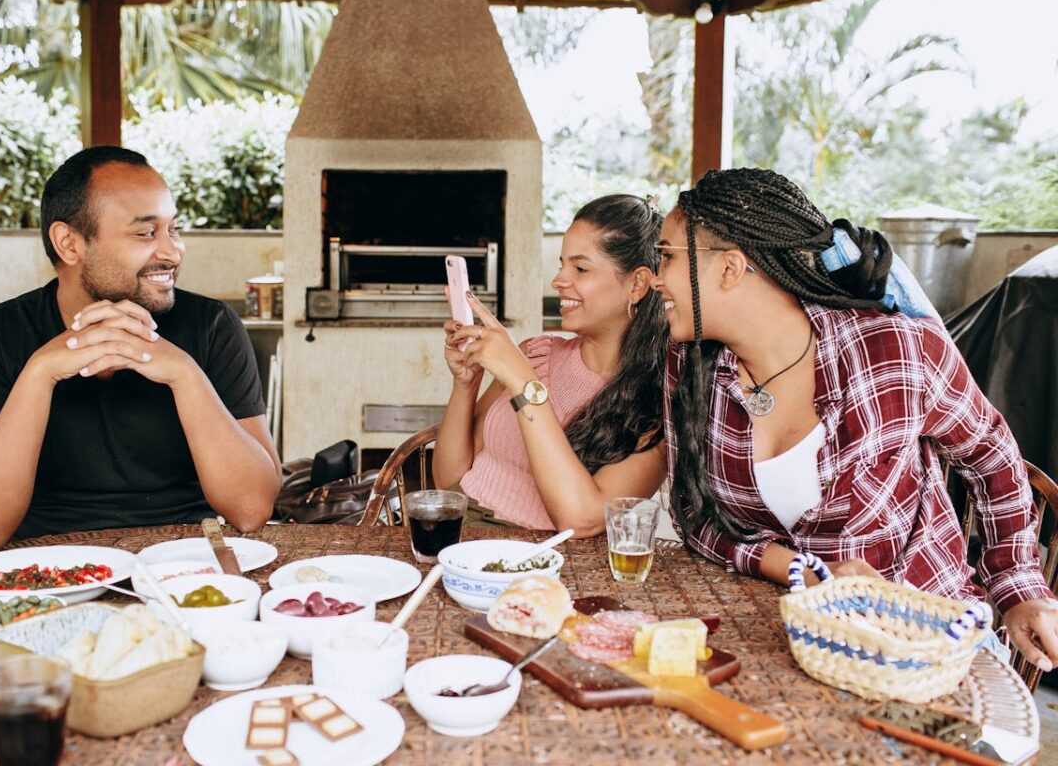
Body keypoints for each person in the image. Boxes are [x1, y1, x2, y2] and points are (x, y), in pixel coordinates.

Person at [654, 167, 1058, 670]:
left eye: (667, 256)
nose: (656, 277)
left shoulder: (894, 350)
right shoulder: (691, 365)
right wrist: (802, 570)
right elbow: (692, 513)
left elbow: (992, 455)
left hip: (926, 643)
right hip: (796, 642)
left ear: (730, 268)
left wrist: (1019, 588)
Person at [0, 146, 281, 553]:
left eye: (173, 229)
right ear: (69, 243)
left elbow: (251, 509)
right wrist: (39, 374)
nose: (172, 251)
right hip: (45, 564)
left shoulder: (212, 326)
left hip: (183, 559)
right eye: (145, 233)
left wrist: (185, 375)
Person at [433, 195, 667, 537]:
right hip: (461, 535)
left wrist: (523, 382)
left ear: (637, 284)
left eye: (580, 269)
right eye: (561, 265)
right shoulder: (535, 352)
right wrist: (466, 383)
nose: (558, 281)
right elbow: (448, 480)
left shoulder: (654, 404)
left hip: (544, 557)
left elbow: (583, 520)